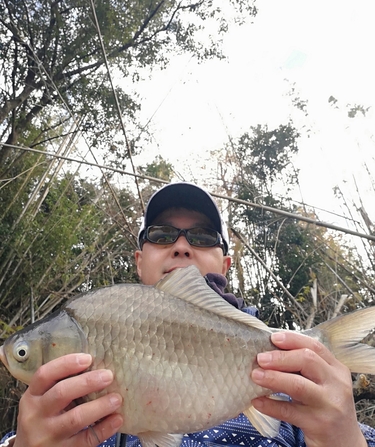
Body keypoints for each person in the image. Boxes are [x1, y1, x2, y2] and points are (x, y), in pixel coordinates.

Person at [1, 182, 375, 447]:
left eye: (201, 237)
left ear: (225, 263)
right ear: (138, 260)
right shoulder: (60, 408)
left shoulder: (298, 381)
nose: (181, 246)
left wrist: (344, 439)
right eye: (162, 234)